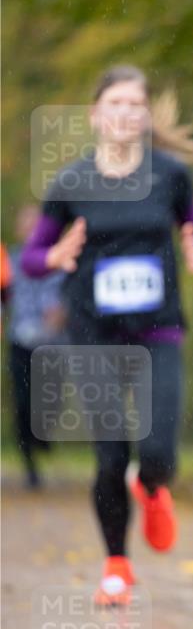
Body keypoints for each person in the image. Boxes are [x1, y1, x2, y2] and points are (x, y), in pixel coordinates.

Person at [22, 66, 193, 605]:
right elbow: (35, 255)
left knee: (158, 450)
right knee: (109, 453)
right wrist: (53, 257)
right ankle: (116, 565)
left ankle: (152, 485)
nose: (126, 113)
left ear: (146, 115)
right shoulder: (70, 183)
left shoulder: (169, 175)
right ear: (96, 116)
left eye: (135, 104)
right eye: (116, 104)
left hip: (158, 330)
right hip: (93, 335)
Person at [6, 204, 67, 489]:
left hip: (52, 345)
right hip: (20, 341)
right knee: (23, 401)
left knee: (50, 400)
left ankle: (43, 436)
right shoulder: (9, 260)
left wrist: (61, 313)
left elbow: (69, 297)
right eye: (26, 224)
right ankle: (30, 464)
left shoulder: (57, 258)